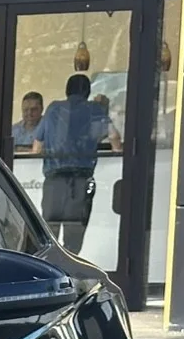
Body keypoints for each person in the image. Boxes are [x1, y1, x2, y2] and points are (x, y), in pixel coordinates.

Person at [33, 74, 121, 254]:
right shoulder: (94, 109)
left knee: (49, 232)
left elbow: (36, 147)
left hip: (54, 180)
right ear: (87, 92)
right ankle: (70, 271)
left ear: (67, 90)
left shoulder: (53, 109)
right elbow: (114, 139)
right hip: (81, 180)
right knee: (74, 235)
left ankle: (50, 268)